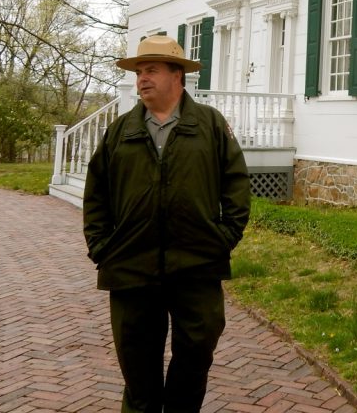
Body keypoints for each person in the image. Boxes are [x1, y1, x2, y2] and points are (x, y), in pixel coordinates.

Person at [83, 35, 251, 413]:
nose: (142, 79)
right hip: (130, 267)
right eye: (139, 72)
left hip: (197, 265)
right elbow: (96, 193)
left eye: (152, 70)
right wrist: (101, 246)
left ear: (178, 76)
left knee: (195, 357)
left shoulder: (208, 124)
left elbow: (236, 184)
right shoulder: (120, 130)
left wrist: (223, 238)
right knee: (138, 374)